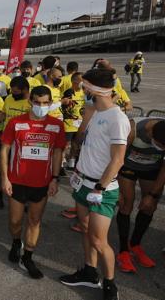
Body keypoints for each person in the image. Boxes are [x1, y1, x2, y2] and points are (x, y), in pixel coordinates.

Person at [59, 68, 130, 300]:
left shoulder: (117, 118)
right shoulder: (95, 112)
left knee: (99, 240)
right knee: (86, 231)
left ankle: (110, 284)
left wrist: (99, 187)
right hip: (82, 182)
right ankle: (90, 272)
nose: (82, 89)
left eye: (85, 86)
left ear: (94, 88)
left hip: (102, 188)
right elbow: (83, 142)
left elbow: (118, 159)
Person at [1, 86, 66, 279]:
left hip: (42, 183)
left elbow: (57, 152)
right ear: (30, 102)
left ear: (51, 102)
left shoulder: (56, 125)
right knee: (14, 221)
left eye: (46, 103)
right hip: (17, 181)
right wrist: (4, 177)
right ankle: (15, 242)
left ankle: (28, 257)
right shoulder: (16, 122)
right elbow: (4, 149)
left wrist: (55, 178)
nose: (41, 106)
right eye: (37, 102)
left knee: (34, 220)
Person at [115, 118, 165, 273]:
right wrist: (114, 187)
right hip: (127, 168)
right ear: (150, 133)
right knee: (126, 204)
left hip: (151, 169)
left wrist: (153, 194)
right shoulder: (133, 128)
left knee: (149, 206)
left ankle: (135, 244)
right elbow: (116, 157)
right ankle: (123, 251)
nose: (161, 148)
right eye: (160, 145)